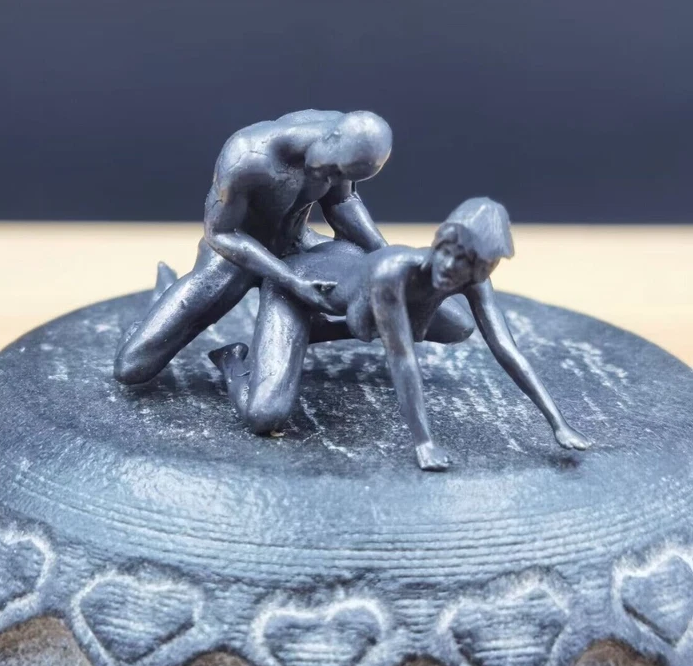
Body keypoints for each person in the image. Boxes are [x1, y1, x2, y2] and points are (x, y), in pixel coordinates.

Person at [210, 197, 590, 471]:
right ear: (441, 240)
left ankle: (313, 333)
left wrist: (558, 423)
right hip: (298, 286)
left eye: (466, 265)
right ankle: (232, 360)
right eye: (449, 252)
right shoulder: (393, 273)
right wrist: (424, 443)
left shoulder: (473, 282)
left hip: (350, 287)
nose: (450, 268)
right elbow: (402, 357)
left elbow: (507, 350)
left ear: (481, 269)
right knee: (265, 415)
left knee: (459, 325)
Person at [114, 109, 474, 384]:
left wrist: (382, 253)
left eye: (344, 176)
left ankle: (308, 333)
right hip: (232, 257)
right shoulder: (249, 157)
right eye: (334, 172)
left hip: (300, 246)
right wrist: (289, 279)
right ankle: (162, 308)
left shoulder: (343, 149)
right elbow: (220, 234)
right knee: (132, 367)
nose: (334, 180)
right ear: (331, 140)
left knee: (446, 322)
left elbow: (342, 204)